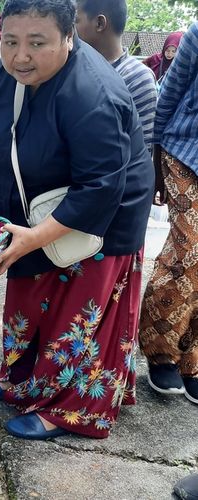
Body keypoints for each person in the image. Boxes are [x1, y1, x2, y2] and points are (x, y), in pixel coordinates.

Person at [0, 0, 153, 440]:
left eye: (38, 43)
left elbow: (99, 188)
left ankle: (69, 407)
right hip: (33, 202)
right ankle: (23, 380)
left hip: (105, 213)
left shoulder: (93, 94)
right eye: (10, 42)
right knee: (30, 293)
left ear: (69, 38)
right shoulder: (4, 75)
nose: (20, 56)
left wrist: (33, 237)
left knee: (79, 309)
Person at [139, 21, 198, 405]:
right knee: (187, 252)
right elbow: (171, 92)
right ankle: (161, 352)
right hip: (186, 153)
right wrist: (157, 159)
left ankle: (191, 358)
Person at [75, 0, 157, 148]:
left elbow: (141, 150)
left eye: (75, 21)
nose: (69, 30)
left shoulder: (137, 78)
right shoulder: (75, 68)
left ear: (99, 23)